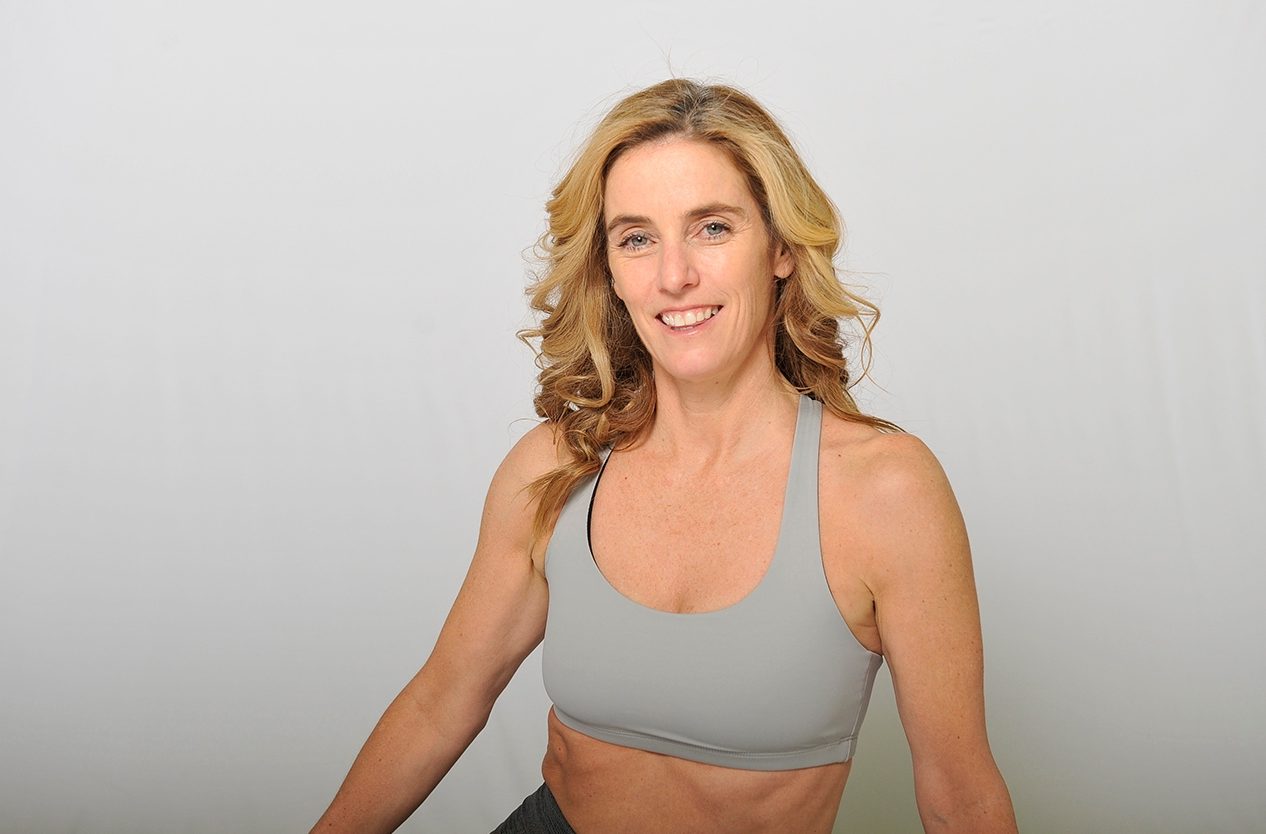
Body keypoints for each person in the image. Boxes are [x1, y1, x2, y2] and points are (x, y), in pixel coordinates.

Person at [311, 79, 1017, 834]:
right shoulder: (557, 468)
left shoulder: (884, 490)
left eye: (711, 228)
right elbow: (441, 701)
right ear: (610, 269)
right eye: (637, 238)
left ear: (780, 248)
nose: (674, 276)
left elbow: (958, 793)